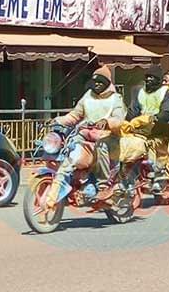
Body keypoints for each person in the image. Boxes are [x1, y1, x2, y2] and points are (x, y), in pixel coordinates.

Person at [47, 66, 126, 208]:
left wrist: (107, 122)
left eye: (101, 82)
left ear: (107, 83)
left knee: (101, 145)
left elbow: (119, 119)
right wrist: (57, 120)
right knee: (69, 148)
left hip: (109, 138)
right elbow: (74, 115)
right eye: (95, 81)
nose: (97, 84)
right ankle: (70, 182)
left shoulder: (116, 99)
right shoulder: (87, 96)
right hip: (86, 135)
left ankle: (103, 187)